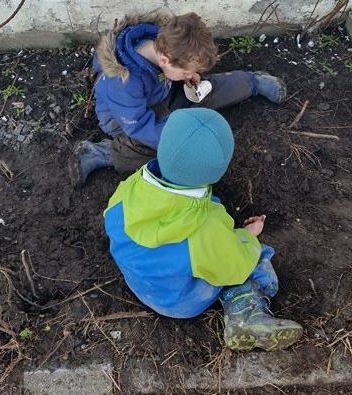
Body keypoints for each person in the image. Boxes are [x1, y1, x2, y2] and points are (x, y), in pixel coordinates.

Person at [103, 108, 302, 351]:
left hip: (141, 282)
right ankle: (245, 312)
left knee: (206, 254)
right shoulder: (206, 227)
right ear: (218, 171)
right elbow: (235, 266)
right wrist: (248, 236)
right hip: (181, 302)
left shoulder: (128, 190)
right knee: (256, 257)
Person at [69, 11, 287, 187]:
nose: (189, 75)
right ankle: (99, 154)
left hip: (161, 96)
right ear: (165, 59)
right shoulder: (124, 82)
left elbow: (173, 74)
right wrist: (179, 138)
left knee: (203, 88)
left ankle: (253, 82)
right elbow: (141, 126)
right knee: (161, 154)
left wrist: (186, 77)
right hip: (129, 122)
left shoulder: (164, 44)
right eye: (185, 72)